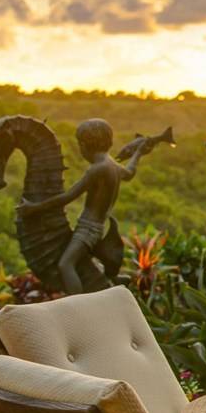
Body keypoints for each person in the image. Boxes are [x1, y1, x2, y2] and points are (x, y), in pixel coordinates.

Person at [17, 119, 144, 293]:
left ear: (85, 145)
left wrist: (34, 207)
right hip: (99, 227)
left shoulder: (97, 169)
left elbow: (68, 196)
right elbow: (129, 173)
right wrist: (138, 153)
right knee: (86, 260)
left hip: (88, 228)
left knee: (66, 264)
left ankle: (77, 303)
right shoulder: (113, 165)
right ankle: (115, 278)